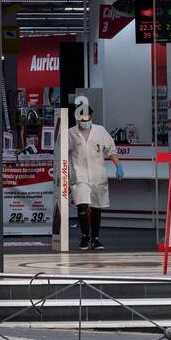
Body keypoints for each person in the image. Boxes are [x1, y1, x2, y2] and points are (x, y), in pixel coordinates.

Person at [65, 105, 122, 250]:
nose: (85, 122)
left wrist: (118, 166)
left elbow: (111, 150)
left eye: (87, 118)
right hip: (79, 174)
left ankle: (96, 239)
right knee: (82, 204)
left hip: (97, 174)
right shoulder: (70, 133)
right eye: (82, 119)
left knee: (97, 207)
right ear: (77, 119)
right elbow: (63, 153)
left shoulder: (100, 131)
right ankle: (85, 237)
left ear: (92, 117)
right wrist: (64, 175)